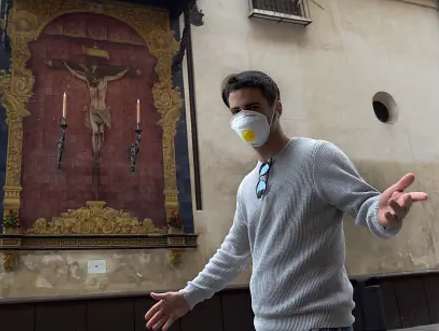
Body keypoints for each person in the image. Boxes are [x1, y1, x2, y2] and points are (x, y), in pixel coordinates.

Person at [145, 70, 428, 331]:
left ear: (276, 108)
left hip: (322, 325)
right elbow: (233, 252)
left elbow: (367, 206)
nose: (244, 117)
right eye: (236, 111)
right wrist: (189, 296)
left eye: (253, 108)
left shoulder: (316, 156)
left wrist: (383, 215)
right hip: (267, 325)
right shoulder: (247, 185)